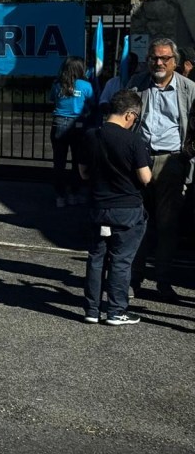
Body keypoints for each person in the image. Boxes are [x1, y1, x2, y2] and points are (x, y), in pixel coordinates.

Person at [126, 38, 195, 303]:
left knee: (167, 225)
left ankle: (163, 282)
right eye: (154, 57)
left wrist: (188, 153)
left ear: (175, 62)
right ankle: (133, 279)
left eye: (165, 58)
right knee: (137, 223)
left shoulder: (189, 89)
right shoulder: (137, 84)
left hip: (172, 162)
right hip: (139, 160)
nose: (158, 62)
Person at [77, 90, 151, 326]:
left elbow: (83, 172)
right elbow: (145, 177)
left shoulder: (90, 136)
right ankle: (116, 311)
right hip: (126, 208)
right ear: (130, 115)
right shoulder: (134, 141)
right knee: (121, 260)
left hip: (98, 207)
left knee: (96, 258)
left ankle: (92, 310)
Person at [48, 56, 94, 208]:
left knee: (59, 162)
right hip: (78, 125)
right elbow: (92, 103)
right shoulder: (86, 85)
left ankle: (59, 196)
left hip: (59, 123)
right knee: (77, 161)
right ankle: (75, 194)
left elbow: (51, 100)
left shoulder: (57, 84)